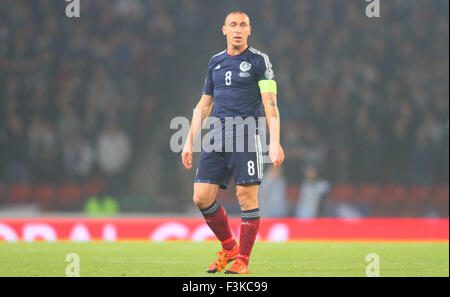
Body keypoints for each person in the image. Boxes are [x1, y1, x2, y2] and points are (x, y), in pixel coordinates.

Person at [181, 11, 285, 274]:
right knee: (201, 197)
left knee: (246, 197)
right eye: (233, 25)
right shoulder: (215, 62)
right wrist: (189, 140)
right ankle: (229, 247)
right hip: (217, 135)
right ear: (224, 30)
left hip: (246, 135)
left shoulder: (259, 61)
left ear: (249, 30)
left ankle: (243, 261)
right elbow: (204, 104)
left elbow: (270, 102)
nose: (238, 30)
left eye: (243, 25)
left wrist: (275, 141)